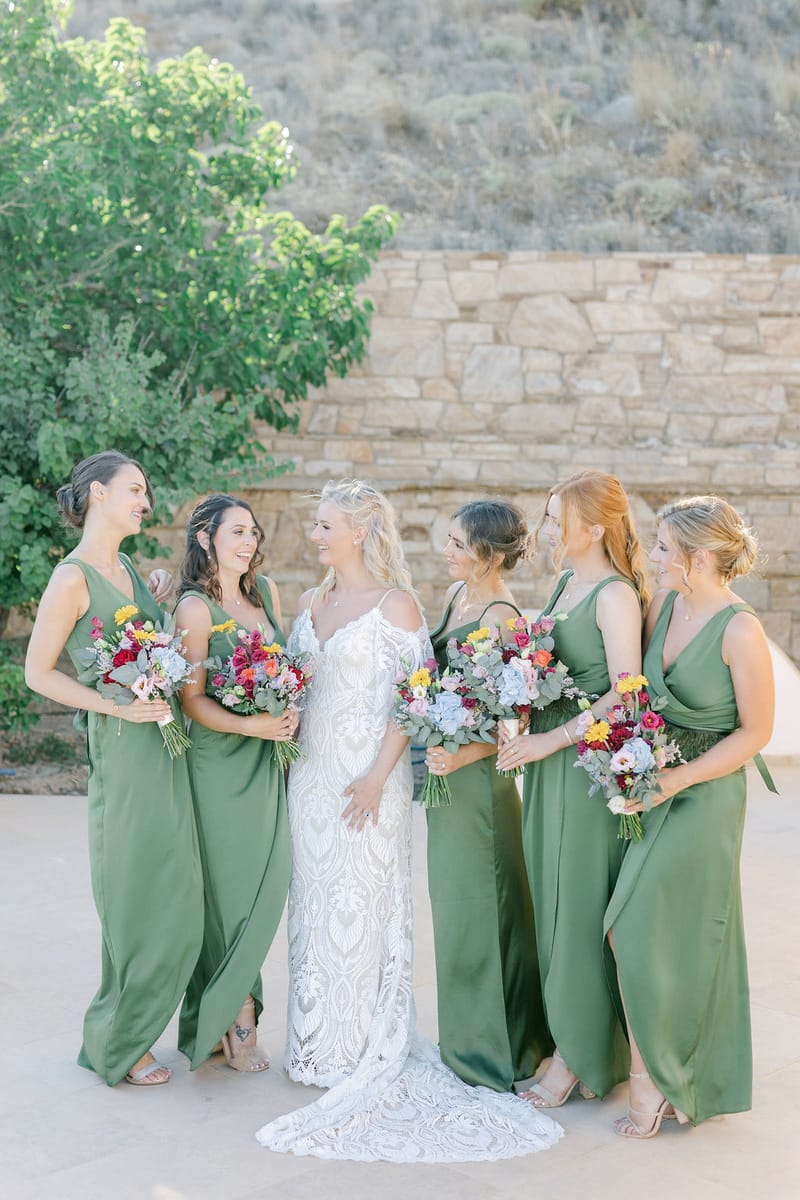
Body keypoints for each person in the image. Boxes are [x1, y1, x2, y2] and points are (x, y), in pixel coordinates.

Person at [255, 479, 562, 1162]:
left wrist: (374, 775)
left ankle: (366, 1044)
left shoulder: (400, 605)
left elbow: (415, 697)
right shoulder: (309, 603)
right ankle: (314, 1045)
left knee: (363, 905)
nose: (315, 534)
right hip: (310, 776)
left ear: (359, 531)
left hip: (373, 776)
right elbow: (298, 683)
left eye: (326, 523)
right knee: (312, 906)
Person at [25, 450, 203, 1086]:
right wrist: (109, 705)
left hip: (167, 745)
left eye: (146, 491)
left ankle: (136, 1026)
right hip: (127, 752)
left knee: (177, 890)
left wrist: (155, 590)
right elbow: (37, 672)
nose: (144, 501)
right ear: (97, 493)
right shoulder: (71, 578)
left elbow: (143, 642)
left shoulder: (125, 566)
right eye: (134, 489)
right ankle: (120, 1039)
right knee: (136, 892)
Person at [604, 495, 775, 1137]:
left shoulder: (740, 630)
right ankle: (668, 1073)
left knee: (661, 928)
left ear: (698, 558)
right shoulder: (662, 604)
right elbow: (640, 694)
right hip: (652, 780)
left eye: (662, 547)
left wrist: (675, 777)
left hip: (706, 792)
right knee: (634, 926)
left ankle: (655, 1081)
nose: (652, 557)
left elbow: (755, 733)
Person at [496, 469, 649, 1107]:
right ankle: (567, 1038)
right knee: (551, 900)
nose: (547, 529)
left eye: (558, 519)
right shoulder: (563, 583)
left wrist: (551, 741)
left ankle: (576, 1055)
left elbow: (626, 691)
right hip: (546, 757)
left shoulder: (613, 596)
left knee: (578, 904)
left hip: (582, 767)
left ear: (593, 528)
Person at [424, 499, 552, 1091]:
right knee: (455, 911)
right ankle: (467, 1038)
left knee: (485, 909)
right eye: (447, 540)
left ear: (489, 555)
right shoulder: (456, 599)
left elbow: (518, 719)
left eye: (457, 543)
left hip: (480, 782)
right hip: (446, 779)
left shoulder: (504, 617)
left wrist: (462, 754)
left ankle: (499, 1047)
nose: (446, 551)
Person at [174, 494, 295, 1073]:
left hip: (269, 758)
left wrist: (284, 711)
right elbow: (190, 699)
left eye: (253, 532)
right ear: (206, 539)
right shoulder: (196, 610)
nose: (248, 543)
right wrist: (254, 722)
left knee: (263, 887)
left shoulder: (266, 595)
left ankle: (234, 1006)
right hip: (219, 761)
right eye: (236, 533)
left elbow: (286, 669)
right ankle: (237, 1014)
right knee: (227, 893)